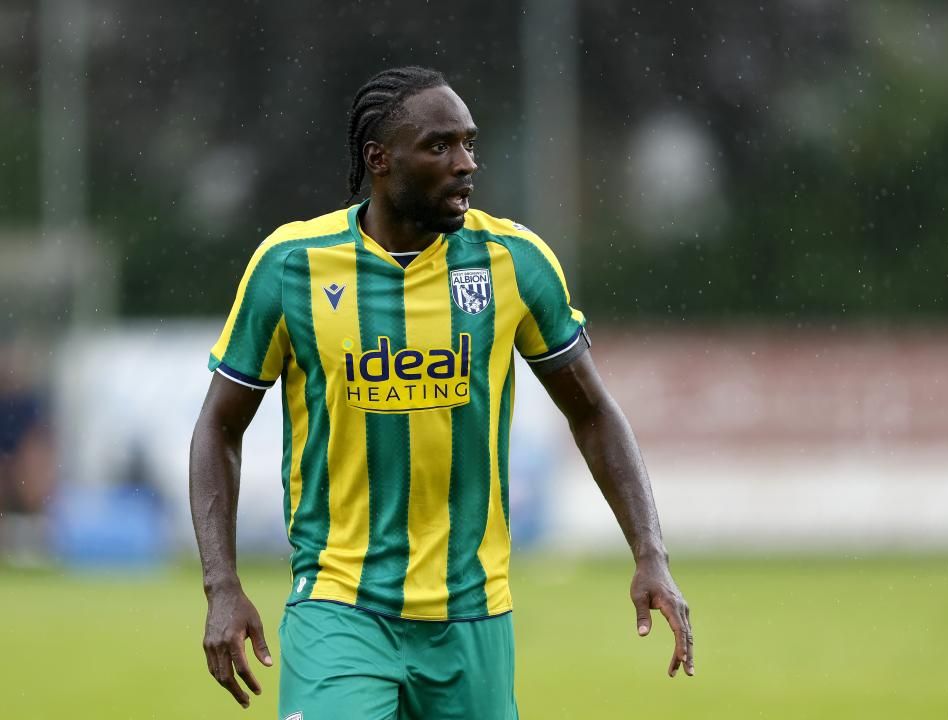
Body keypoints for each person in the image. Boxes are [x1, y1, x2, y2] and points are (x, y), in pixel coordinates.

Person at [190, 65, 694, 720]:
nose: (465, 164)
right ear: (379, 160)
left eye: (469, 143)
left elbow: (593, 412)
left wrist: (650, 554)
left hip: (474, 615)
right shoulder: (293, 266)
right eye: (440, 146)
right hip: (339, 605)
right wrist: (222, 586)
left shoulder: (513, 261)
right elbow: (219, 427)